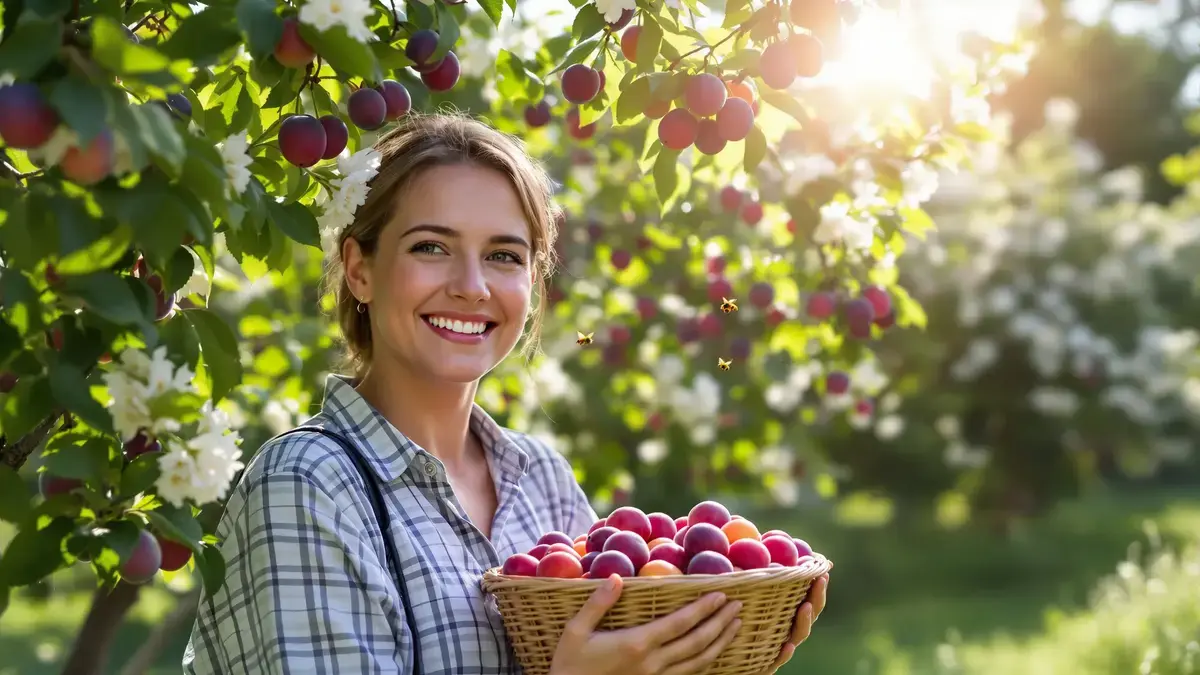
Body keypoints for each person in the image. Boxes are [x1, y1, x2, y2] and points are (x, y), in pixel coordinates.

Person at [182, 111, 829, 675]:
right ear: (360, 270)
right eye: (431, 246)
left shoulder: (541, 479)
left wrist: (704, 653)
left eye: (503, 255)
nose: (472, 286)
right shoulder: (308, 483)